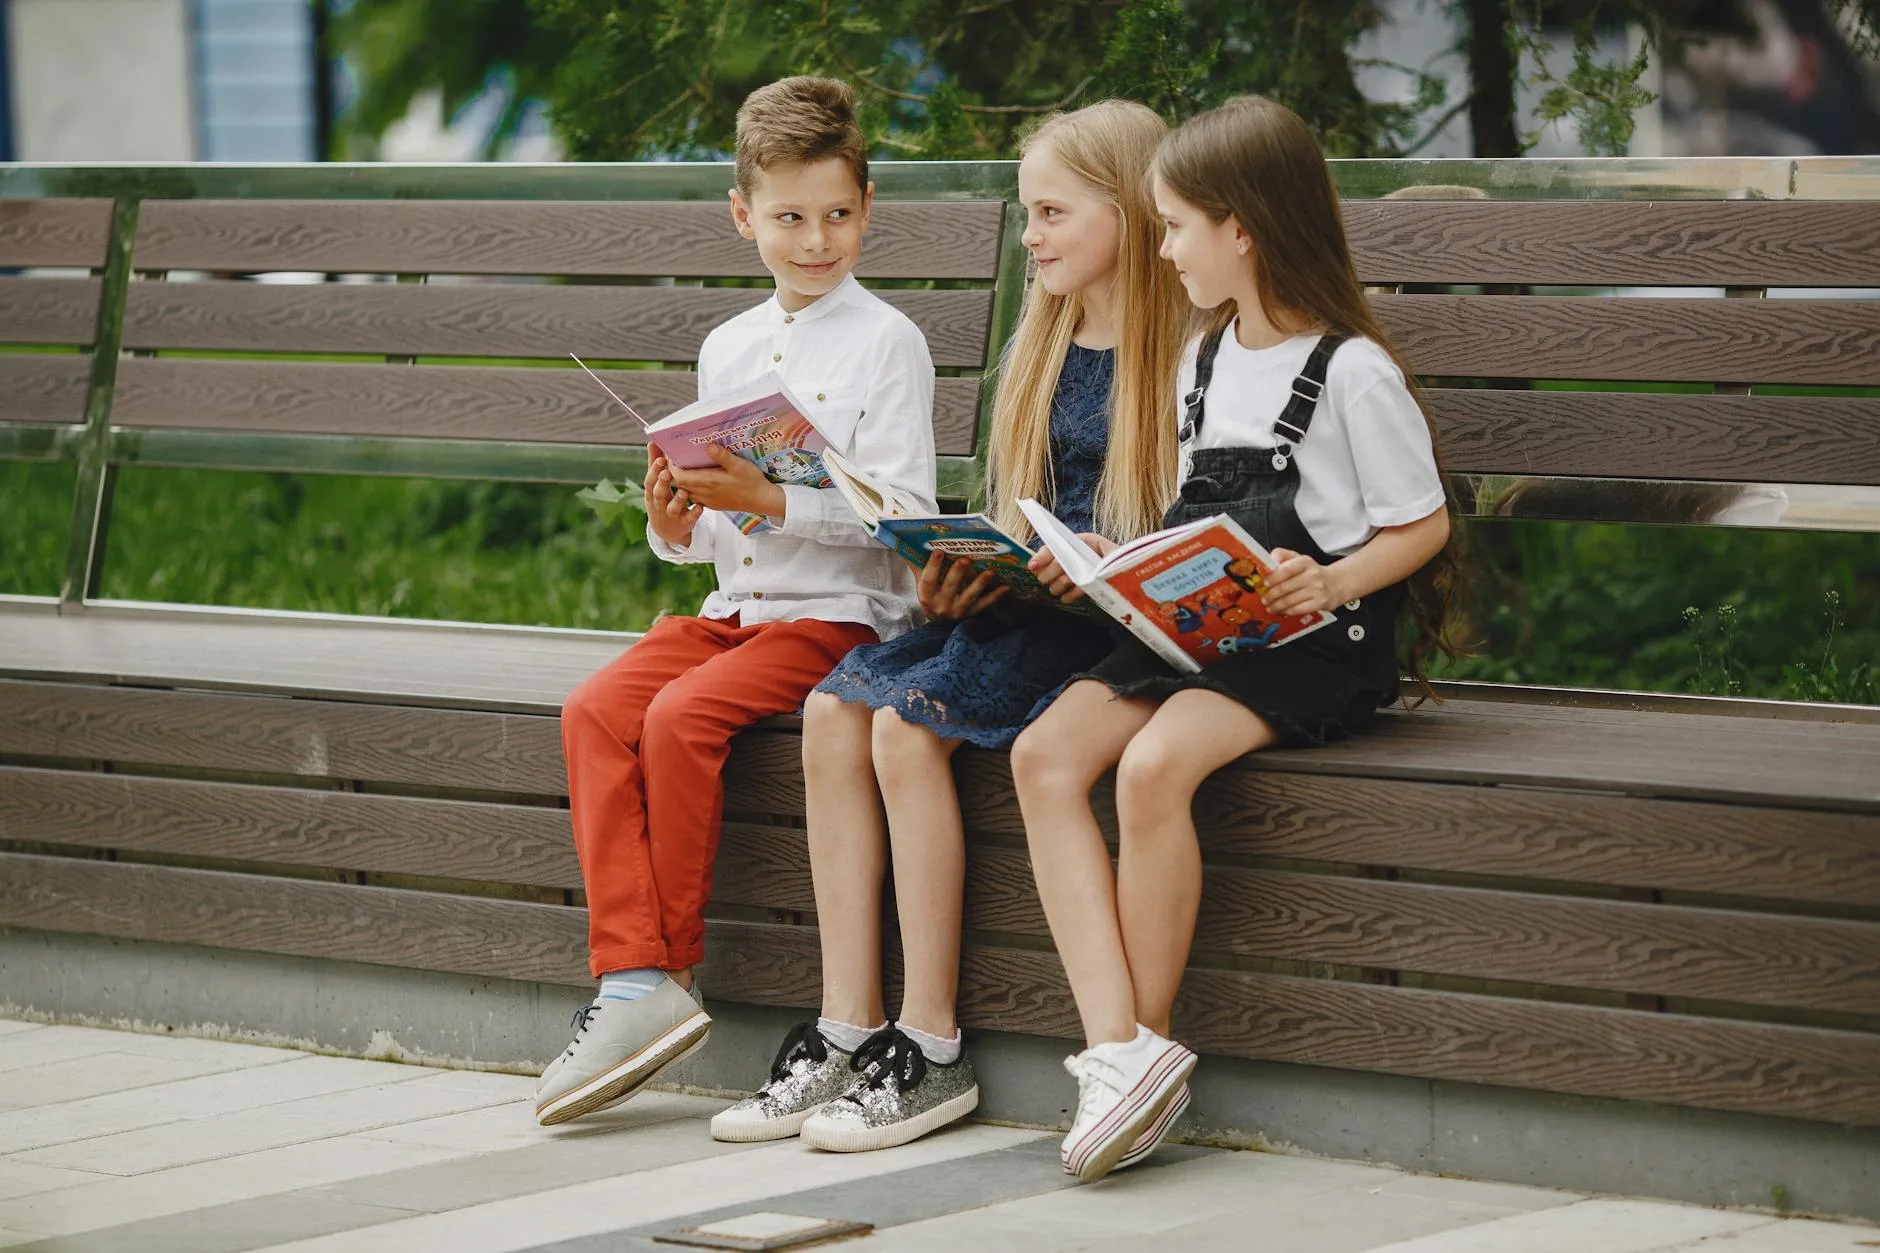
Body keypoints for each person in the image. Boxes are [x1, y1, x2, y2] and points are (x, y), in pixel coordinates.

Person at [707, 100, 1187, 1153]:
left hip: (1110, 631)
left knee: (898, 722)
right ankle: (847, 1023)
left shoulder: (1182, 348)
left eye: (1052, 212)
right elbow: (1019, 507)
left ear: (1123, 206)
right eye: (1027, 215)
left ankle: (929, 1042)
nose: (1033, 236)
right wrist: (951, 572)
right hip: (1025, 605)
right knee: (837, 707)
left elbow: (1172, 525)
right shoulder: (1045, 334)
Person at [1012, 95, 1464, 1183]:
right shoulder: (1202, 360)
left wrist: (1334, 577)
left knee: (1155, 763)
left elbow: (1424, 521)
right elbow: (1189, 515)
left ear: (1242, 229)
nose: (1161, 249)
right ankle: (1118, 1048)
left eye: (1173, 227)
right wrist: (1103, 562)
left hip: (1316, 639)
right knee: (1042, 755)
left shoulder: (1350, 370)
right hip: (1209, 625)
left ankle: (1141, 1048)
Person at [533, 77, 937, 1127]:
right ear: (741, 215)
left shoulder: (887, 341)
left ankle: (670, 969)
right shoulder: (726, 346)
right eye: (790, 217)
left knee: (678, 716)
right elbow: (716, 534)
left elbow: (904, 517)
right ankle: (632, 980)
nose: (816, 240)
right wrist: (677, 520)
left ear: (866, 205)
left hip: (843, 618)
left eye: (838, 215)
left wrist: (779, 497)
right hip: (737, 614)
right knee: (595, 709)